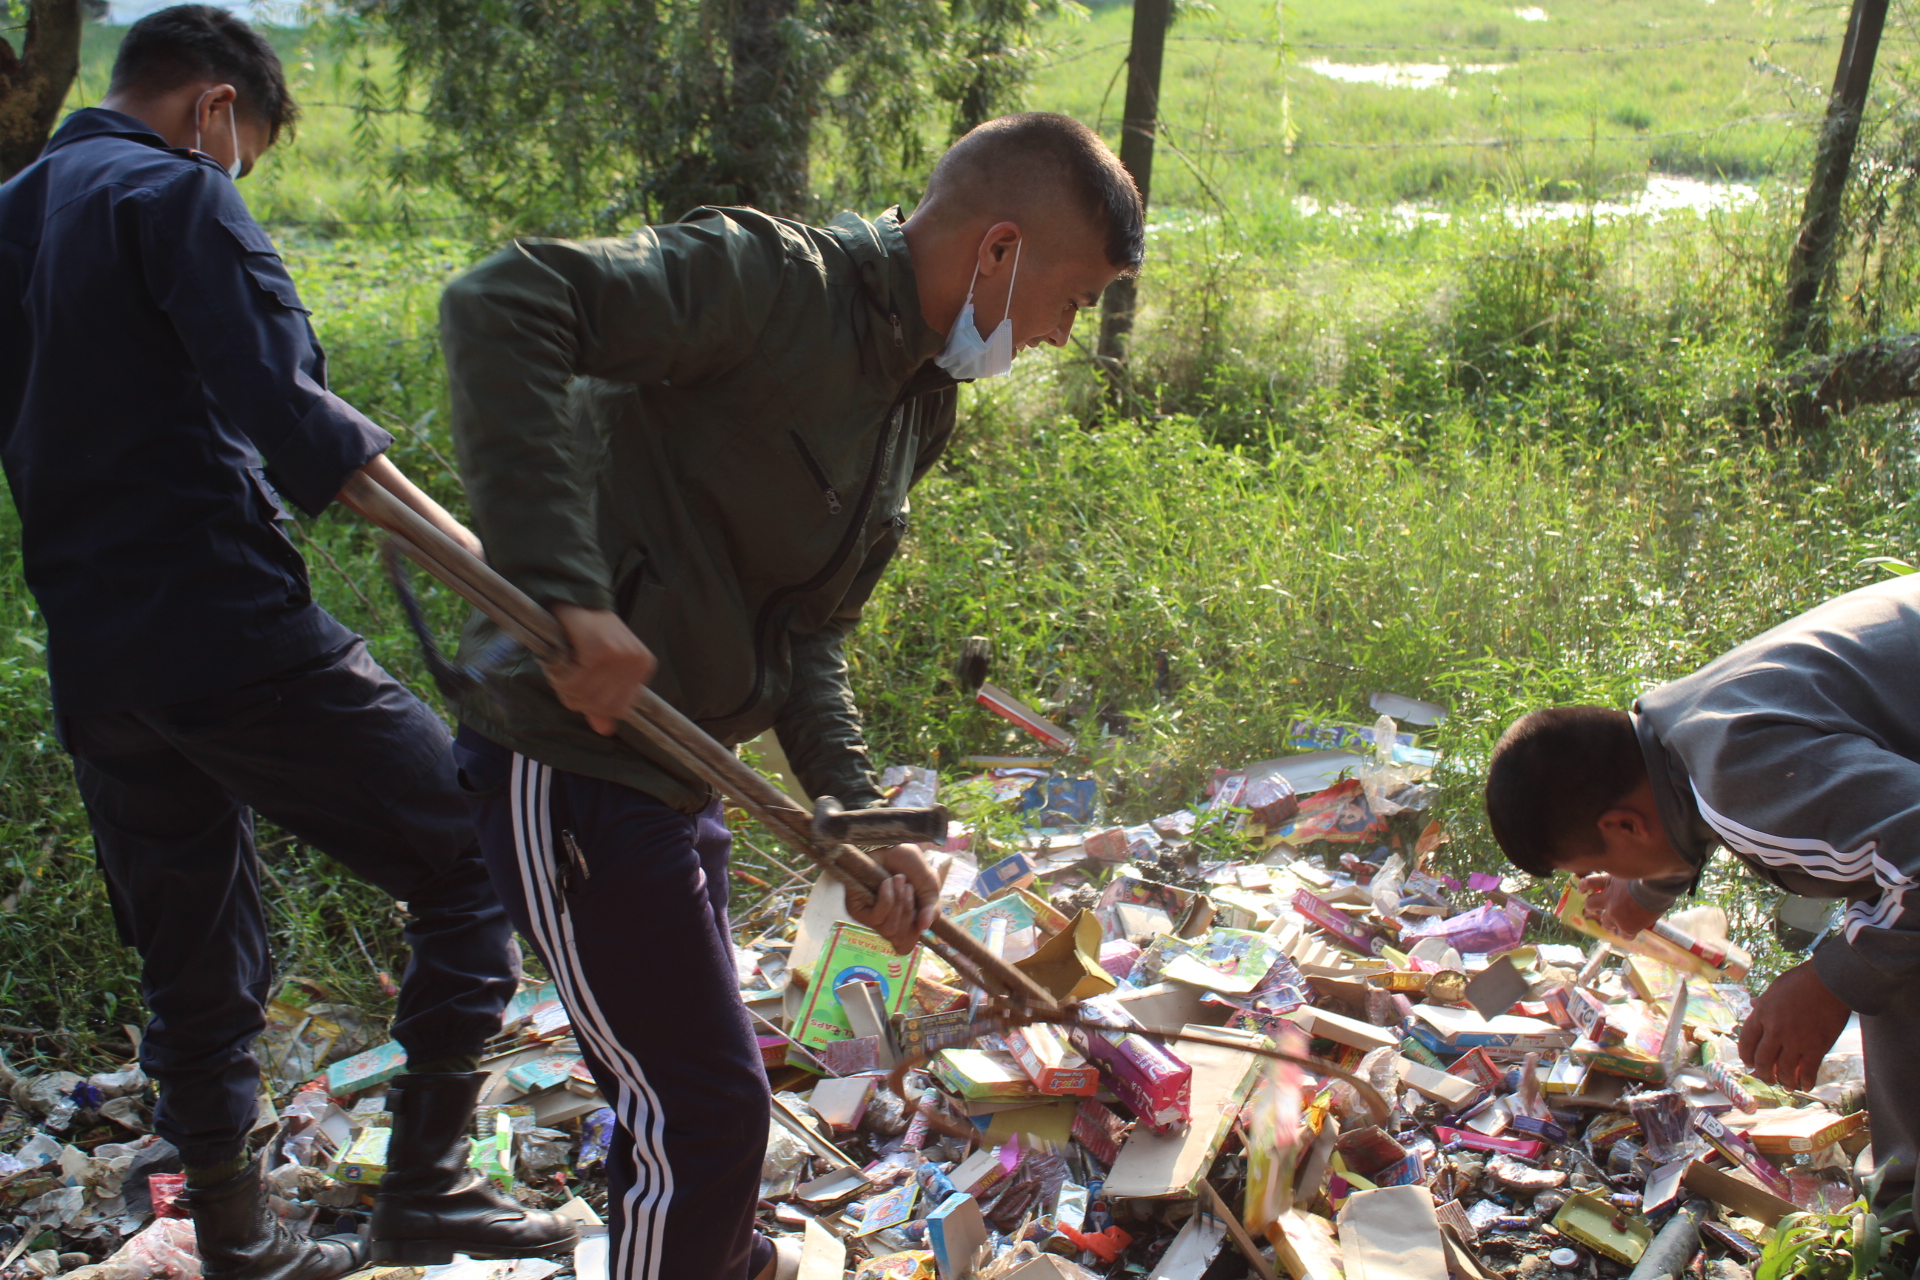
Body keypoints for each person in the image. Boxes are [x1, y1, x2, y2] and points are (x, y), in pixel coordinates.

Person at [435, 112, 1143, 1280]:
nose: (1065, 335)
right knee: (704, 1111)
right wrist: (564, 594)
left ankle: (716, 1256)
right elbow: (503, 304)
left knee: (681, 1090)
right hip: (571, 762)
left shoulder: (916, 402)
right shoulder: (768, 284)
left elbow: (810, 632)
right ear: (1000, 251)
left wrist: (865, 828)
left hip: (685, 771)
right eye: (1072, 298)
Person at [0, 8, 575, 1278]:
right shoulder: (176, 194)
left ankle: (239, 1238)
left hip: (94, 653)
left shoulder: (16, 206)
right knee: (470, 851)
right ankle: (425, 1186)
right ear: (214, 110)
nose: (239, 174)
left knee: (192, 948)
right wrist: (518, 584)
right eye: (247, 150)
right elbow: (289, 406)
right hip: (226, 628)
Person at [1482, 571, 1920, 1206]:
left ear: (1624, 824)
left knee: (1887, 953)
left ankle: (1906, 1218)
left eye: (1595, 864)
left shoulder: (1744, 779)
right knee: (1886, 933)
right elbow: (1687, 805)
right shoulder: (1688, 724)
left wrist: (1829, 981)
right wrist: (1646, 889)